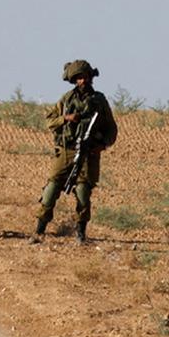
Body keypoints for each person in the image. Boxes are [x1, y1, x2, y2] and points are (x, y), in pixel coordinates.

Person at [35, 59, 118, 242]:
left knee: (82, 193)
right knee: (51, 189)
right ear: (74, 80)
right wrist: (66, 118)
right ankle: (39, 230)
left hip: (89, 153)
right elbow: (50, 121)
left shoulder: (99, 101)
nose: (83, 81)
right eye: (79, 78)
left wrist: (102, 145)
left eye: (86, 77)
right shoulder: (66, 99)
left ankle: (80, 233)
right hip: (66, 150)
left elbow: (112, 129)